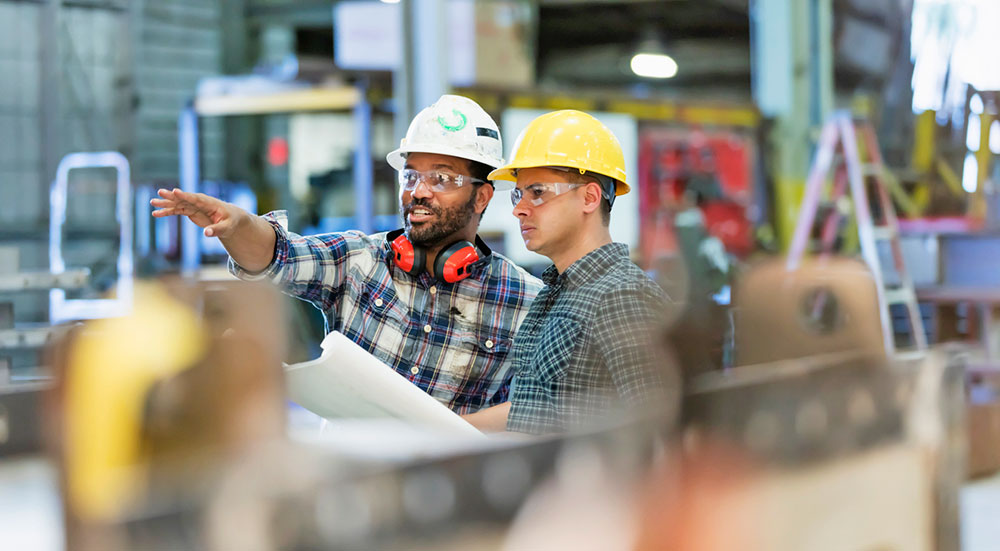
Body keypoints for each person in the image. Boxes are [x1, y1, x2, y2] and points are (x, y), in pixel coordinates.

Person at [151, 95, 542, 414]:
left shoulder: (525, 301)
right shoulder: (359, 260)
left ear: (483, 195)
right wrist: (237, 225)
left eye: (441, 178)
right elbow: (278, 255)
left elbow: (533, 414)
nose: (418, 191)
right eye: (411, 175)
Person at [463, 110, 680, 434]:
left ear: (590, 198)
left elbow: (664, 427)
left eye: (538, 192)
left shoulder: (622, 298)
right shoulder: (554, 295)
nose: (519, 208)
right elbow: (533, 409)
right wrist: (439, 429)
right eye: (520, 193)